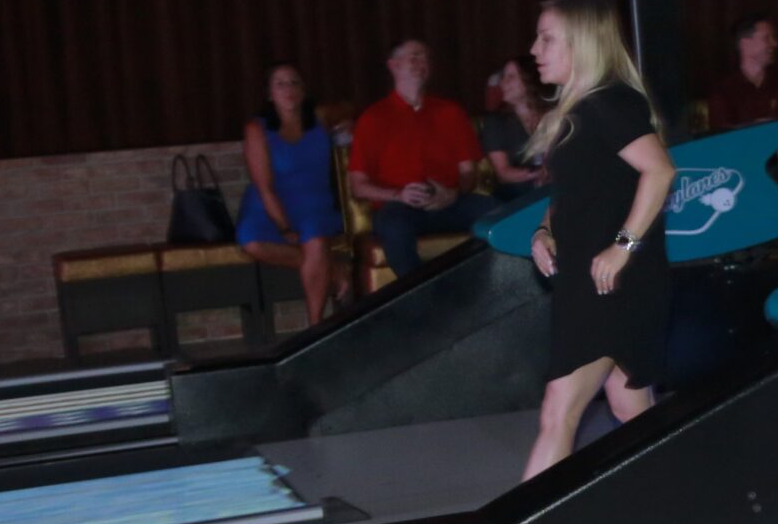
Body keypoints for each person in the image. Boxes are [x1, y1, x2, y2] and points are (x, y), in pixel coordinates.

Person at [522, 0, 676, 478]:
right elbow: (577, 192)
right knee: (631, 410)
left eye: (547, 38)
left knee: (558, 411)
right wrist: (545, 231)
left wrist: (623, 246)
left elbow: (660, 172)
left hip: (611, 282)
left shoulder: (607, 104)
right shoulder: (581, 110)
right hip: (593, 278)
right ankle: (685, 509)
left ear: (582, 44)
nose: (534, 49)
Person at [347, 39, 497, 280]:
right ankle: (422, 303)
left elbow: (469, 172)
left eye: (425, 57)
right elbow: (358, 185)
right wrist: (399, 195)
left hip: (448, 201)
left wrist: (452, 193)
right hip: (400, 206)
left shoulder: (450, 112)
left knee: (494, 210)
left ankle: (483, 288)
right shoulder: (373, 118)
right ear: (393, 65)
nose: (421, 62)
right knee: (395, 228)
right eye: (413, 57)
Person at [235, 62, 344, 325]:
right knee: (252, 242)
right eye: (280, 84)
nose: (288, 89)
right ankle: (335, 271)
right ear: (270, 93)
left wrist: (346, 127)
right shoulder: (257, 128)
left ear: (304, 90)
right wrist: (284, 228)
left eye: (294, 82)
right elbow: (264, 186)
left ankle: (315, 325)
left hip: (313, 202)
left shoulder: (320, 118)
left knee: (315, 240)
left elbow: (351, 111)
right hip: (270, 202)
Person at [704, 14, 778, 213]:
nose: (775, 44)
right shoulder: (724, 88)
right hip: (743, 162)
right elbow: (722, 138)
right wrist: (766, 128)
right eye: (768, 38)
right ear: (745, 43)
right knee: (759, 179)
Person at [481, 55, 550, 204]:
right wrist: (538, 174)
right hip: (516, 190)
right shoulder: (496, 122)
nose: (503, 82)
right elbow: (503, 174)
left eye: (510, 77)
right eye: (503, 77)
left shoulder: (552, 115)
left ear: (528, 80)